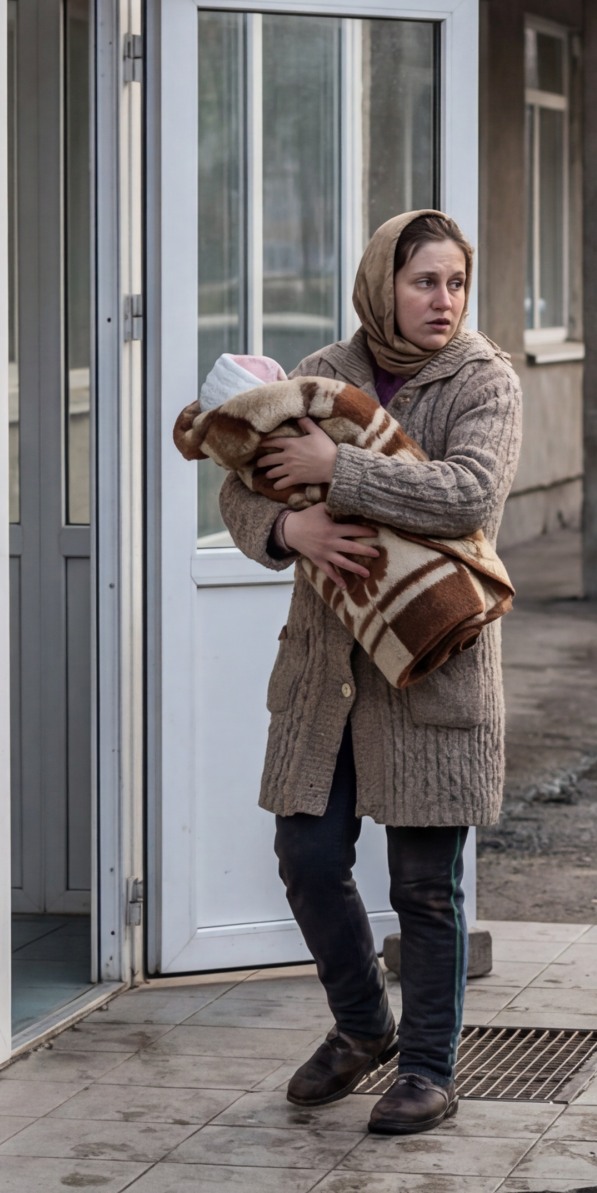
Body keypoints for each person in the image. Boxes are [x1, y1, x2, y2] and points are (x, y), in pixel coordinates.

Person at [221, 209, 522, 1138]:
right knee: (306, 858)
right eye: (424, 281)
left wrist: (336, 469)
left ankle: (429, 1069)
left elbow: (469, 493)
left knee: (426, 885)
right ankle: (363, 1029)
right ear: (382, 283)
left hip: (431, 669)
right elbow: (240, 483)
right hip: (327, 670)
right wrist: (288, 528)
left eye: (456, 283)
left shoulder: (484, 380)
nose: (443, 301)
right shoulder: (326, 373)